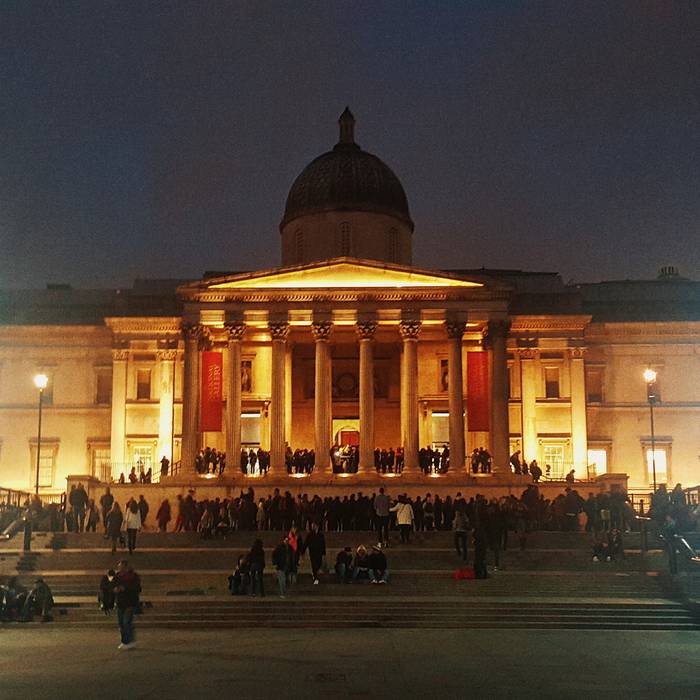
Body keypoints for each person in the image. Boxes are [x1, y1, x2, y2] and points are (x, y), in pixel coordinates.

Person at [113, 560, 141, 650]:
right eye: (119, 567)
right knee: (121, 623)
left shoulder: (134, 576)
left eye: (121, 567)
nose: (120, 569)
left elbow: (138, 588)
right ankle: (124, 641)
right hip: (121, 603)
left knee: (127, 622)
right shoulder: (117, 576)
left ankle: (131, 641)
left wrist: (125, 588)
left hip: (130, 602)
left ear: (126, 567)